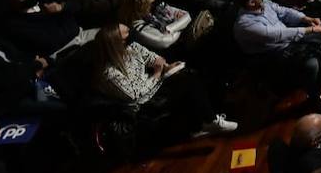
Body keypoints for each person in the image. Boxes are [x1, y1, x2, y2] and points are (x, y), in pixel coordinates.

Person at [90, 23, 237, 138]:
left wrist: (166, 67)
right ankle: (209, 121)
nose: (130, 35)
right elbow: (135, 94)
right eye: (126, 34)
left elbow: (155, 59)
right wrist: (158, 73)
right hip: (144, 104)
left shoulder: (132, 48)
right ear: (118, 43)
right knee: (188, 81)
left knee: (191, 70)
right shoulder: (109, 73)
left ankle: (206, 118)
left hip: (155, 85)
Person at [231, 0, 321, 114]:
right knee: (312, 64)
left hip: (290, 39)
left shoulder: (264, 4)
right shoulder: (245, 25)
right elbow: (278, 35)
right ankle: (314, 98)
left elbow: (283, 11)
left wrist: (305, 18)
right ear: (251, 2)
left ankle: (314, 68)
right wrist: (309, 29)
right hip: (273, 53)